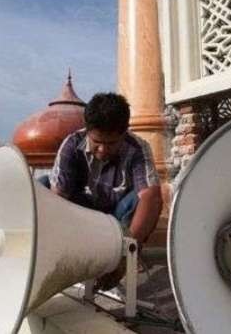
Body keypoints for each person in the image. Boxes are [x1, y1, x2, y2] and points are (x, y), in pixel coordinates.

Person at [42, 92, 163, 289]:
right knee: (43, 184)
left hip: (117, 217)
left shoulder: (137, 149)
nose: (103, 150)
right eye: (97, 142)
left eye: (112, 144)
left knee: (147, 199)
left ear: (124, 133)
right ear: (88, 130)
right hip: (82, 213)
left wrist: (126, 254)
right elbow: (58, 198)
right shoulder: (72, 145)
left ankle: (125, 254)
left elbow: (150, 198)